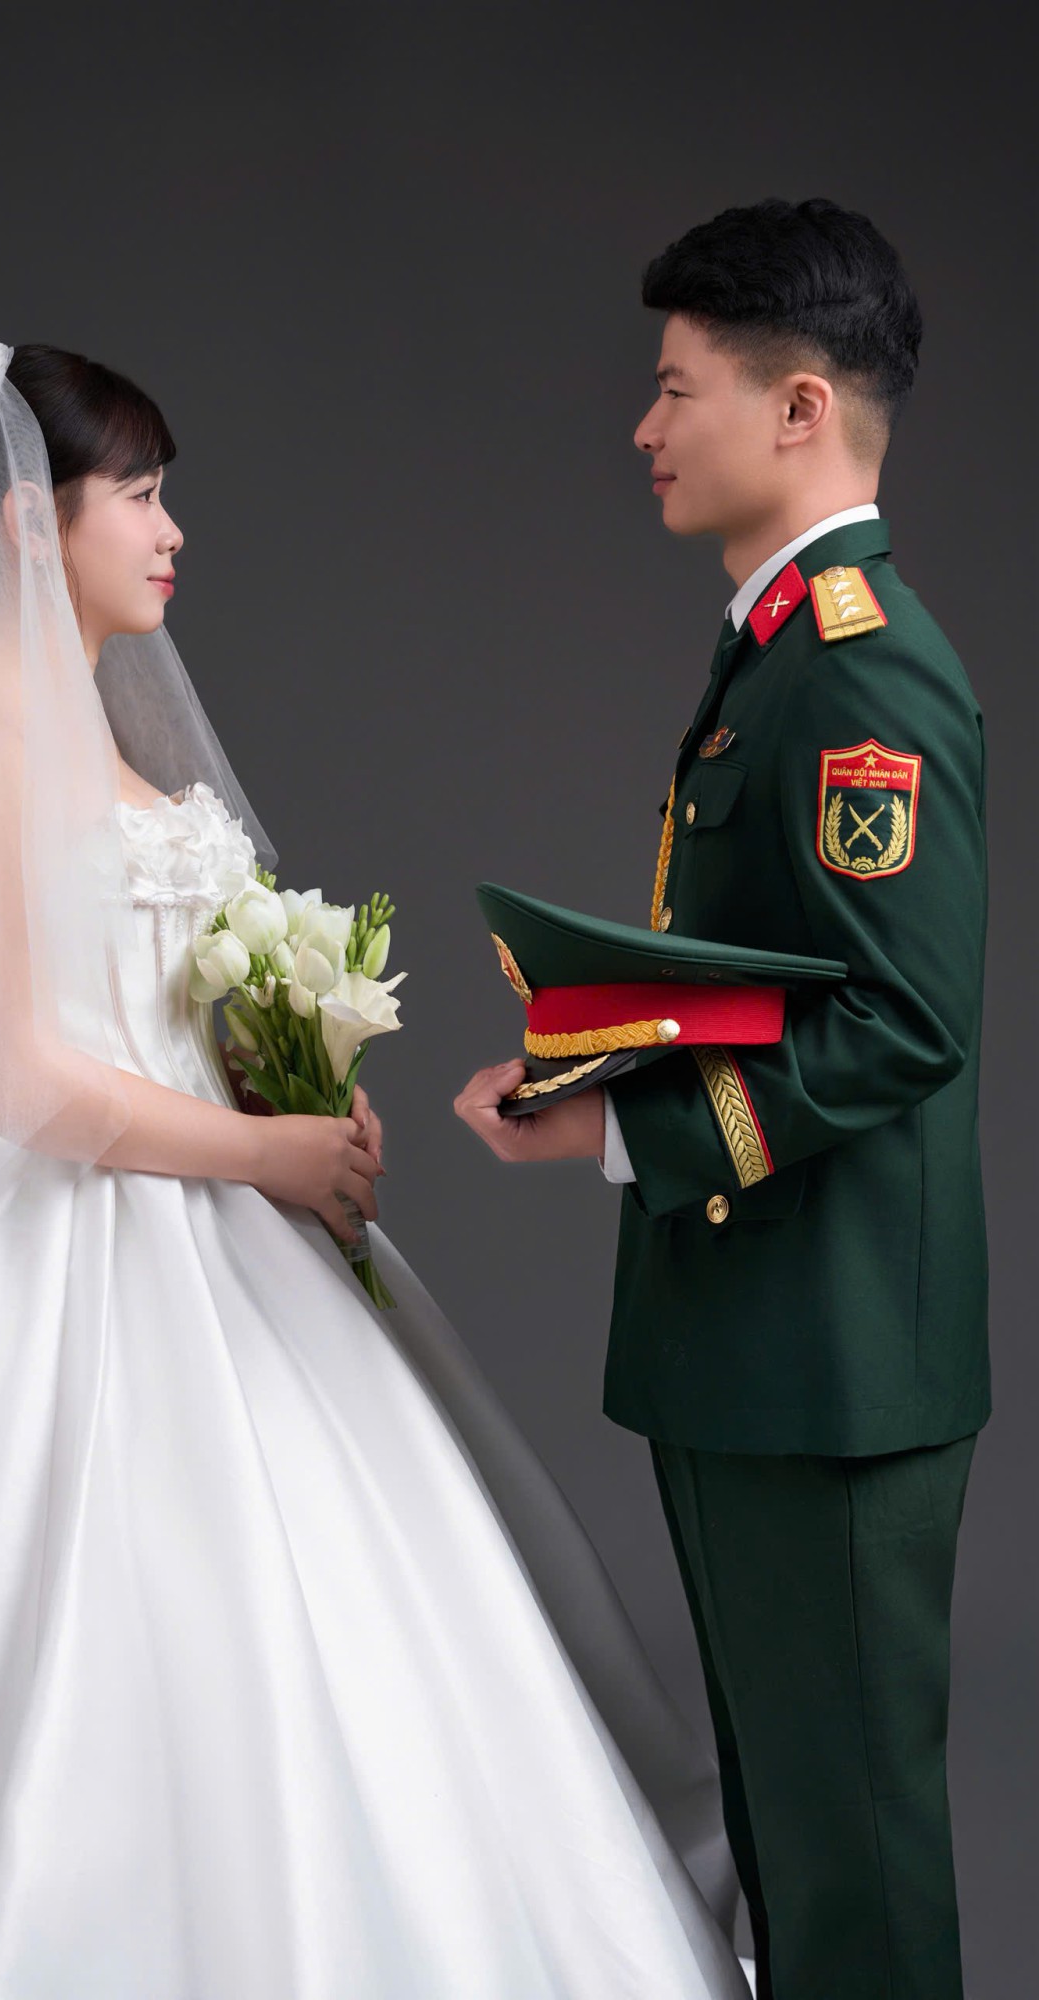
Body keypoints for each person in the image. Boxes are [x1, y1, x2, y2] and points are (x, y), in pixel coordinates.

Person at [0, 340, 753, 1999]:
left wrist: (290, 1088)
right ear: (24, 525)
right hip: (59, 1248)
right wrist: (265, 1146)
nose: (169, 528)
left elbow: (154, 1005)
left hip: (218, 1221)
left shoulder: (84, 721)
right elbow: (9, 1073)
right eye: (135, 494)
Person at [455, 198, 988, 2000]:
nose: (642, 426)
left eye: (674, 388)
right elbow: (781, 979)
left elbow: (901, 1021)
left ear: (798, 407)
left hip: (830, 1361)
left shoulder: (860, 664)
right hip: (766, 1337)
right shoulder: (781, 643)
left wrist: (625, 1128)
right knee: (788, 1839)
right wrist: (595, 1051)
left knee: (850, 1870)